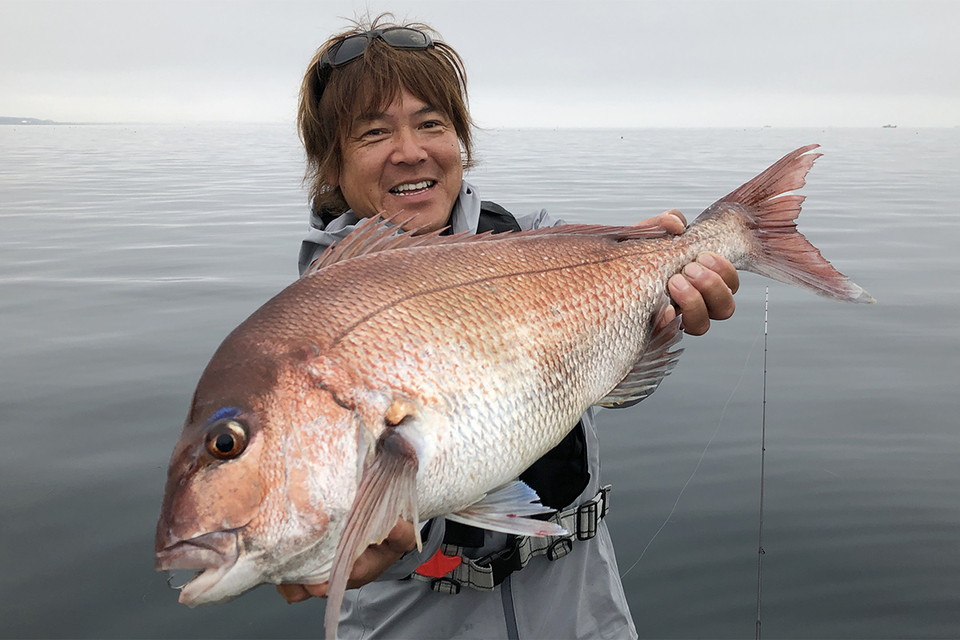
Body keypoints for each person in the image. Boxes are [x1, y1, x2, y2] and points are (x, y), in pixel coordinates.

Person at [276, 15, 739, 639]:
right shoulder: (313, 324)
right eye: (374, 131)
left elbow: (609, 384)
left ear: (460, 142)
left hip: (580, 607)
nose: (410, 150)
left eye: (432, 123)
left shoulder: (533, 242)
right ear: (331, 164)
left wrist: (663, 308)